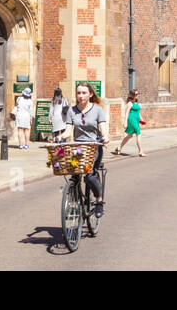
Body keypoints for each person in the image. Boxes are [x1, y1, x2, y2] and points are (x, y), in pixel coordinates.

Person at [58, 82, 109, 216]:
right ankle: (73, 203)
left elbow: (102, 126)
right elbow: (68, 131)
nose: (81, 96)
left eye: (84, 93)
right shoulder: (71, 111)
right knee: (74, 176)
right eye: (79, 93)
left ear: (90, 94)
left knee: (90, 176)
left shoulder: (97, 110)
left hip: (94, 146)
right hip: (78, 147)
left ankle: (98, 201)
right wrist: (60, 137)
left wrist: (105, 136)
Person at [112, 89, 147, 157]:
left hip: (136, 120)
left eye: (138, 94)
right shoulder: (130, 103)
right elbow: (127, 113)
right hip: (131, 120)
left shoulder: (136, 103)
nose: (137, 96)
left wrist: (141, 119)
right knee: (138, 134)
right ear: (132, 95)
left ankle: (119, 147)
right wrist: (125, 123)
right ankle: (140, 151)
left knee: (129, 135)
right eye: (136, 94)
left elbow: (138, 113)